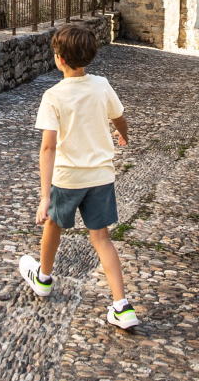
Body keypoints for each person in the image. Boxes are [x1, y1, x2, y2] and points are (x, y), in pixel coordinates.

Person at [19, 23, 140, 331]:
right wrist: (122, 135)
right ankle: (122, 306)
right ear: (90, 56)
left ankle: (43, 278)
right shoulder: (101, 85)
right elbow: (119, 118)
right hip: (100, 176)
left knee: (54, 225)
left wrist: (45, 195)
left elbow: (48, 147)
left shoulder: (54, 96)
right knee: (101, 237)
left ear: (58, 59)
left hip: (68, 178)